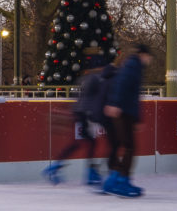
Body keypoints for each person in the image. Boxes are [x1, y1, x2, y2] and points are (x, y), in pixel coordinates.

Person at [43, 55, 115, 186]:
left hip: (80, 112)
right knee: (91, 142)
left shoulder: (85, 78)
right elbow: (95, 97)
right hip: (88, 113)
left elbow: (80, 96)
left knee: (80, 143)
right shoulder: (97, 78)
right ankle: (90, 173)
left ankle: (56, 166)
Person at [102, 44, 152, 197]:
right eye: (149, 57)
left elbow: (132, 93)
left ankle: (116, 180)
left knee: (126, 145)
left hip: (125, 111)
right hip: (123, 111)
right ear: (143, 55)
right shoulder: (133, 66)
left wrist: (137, 118)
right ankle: (120, 181)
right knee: (129, 147)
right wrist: (115, 104)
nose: (149, 60)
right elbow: (121, 85)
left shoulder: (132, 66)